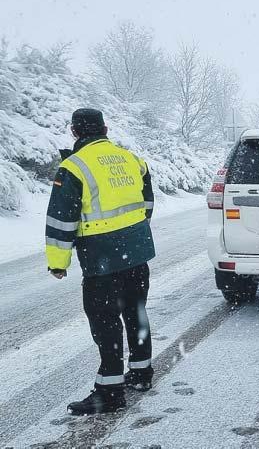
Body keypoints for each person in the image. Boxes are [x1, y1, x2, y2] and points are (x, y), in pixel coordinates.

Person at [45, 108, 156, 415]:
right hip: (136, 252)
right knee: (136, 311)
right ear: (105, 129)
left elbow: (61, 220)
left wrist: (58, 262)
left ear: (74, 132)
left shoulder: (74, 167)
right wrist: (134, 233)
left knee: (105, 322)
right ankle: (141, 373)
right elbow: (147, 202)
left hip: (101, 258)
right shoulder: (131, 159)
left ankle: (110, 392)